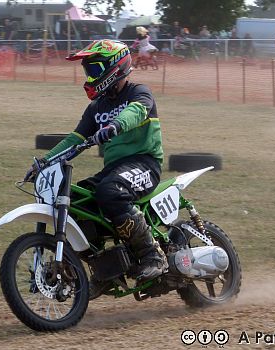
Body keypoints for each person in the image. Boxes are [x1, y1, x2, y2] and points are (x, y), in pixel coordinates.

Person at [25, 39, 168, 298]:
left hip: (144, 163)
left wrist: (115, 126)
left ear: (114, 67)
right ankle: (105, 270)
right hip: (115, 168)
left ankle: (152, 255)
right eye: (87, 70)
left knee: (109, 192)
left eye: (93, 69)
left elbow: (136, 112)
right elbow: (74, 139)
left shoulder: (139, 92)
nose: (89, 75)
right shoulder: (96, 107)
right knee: (77, 202)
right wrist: (43, 162)